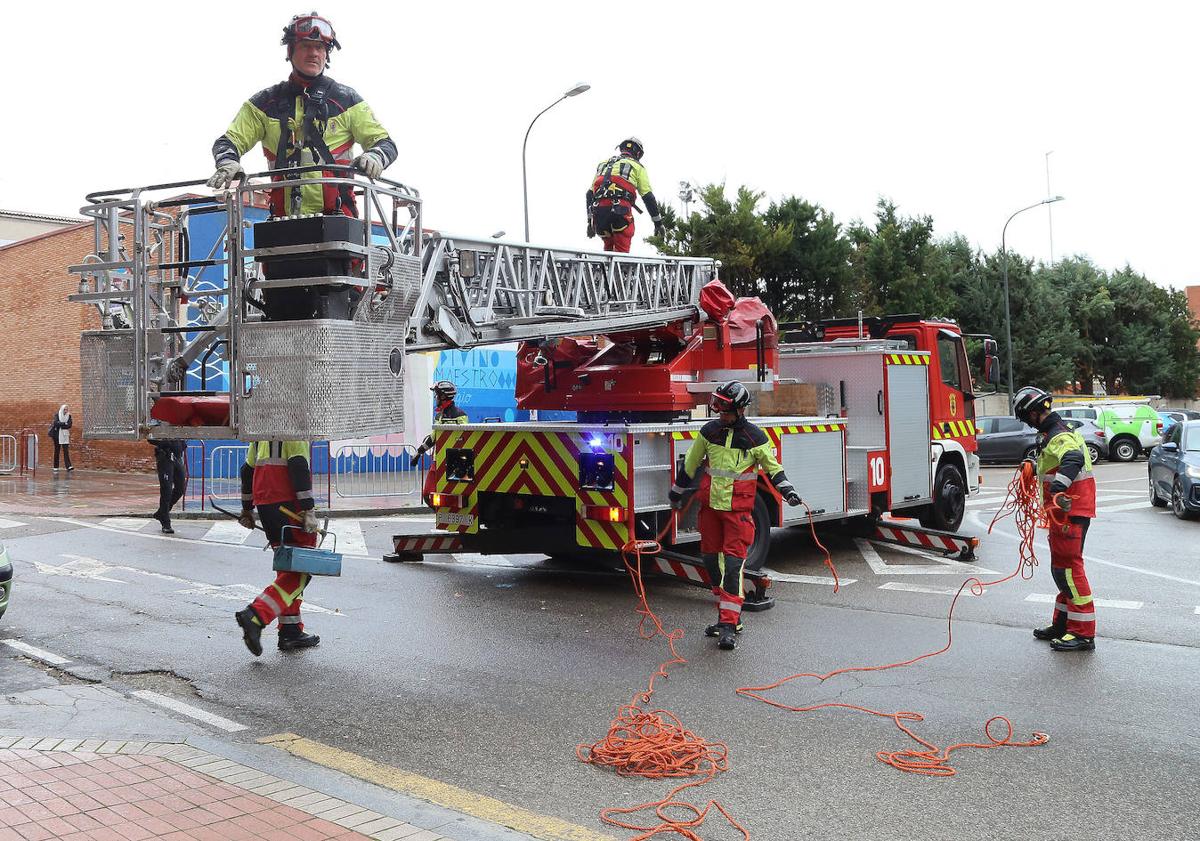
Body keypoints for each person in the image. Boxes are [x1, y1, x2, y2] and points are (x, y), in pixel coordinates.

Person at [207, 12, 398, 218]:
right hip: (281, 224)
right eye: (306, 46)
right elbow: (228, 141)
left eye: (320, 47)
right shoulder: (265, 104)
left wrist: (374, 156)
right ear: (291, 50)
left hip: (340, 226)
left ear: (327, 54)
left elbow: (385, 143)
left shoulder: (346, 101)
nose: (314, 53)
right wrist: (228, 162)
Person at [667, 381, 802, 651]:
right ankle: (729, 616)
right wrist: (676, 492)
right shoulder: (709, 432)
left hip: (738, 514)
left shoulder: (755, 438)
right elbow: (692, 463)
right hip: (711, 512)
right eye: (718, 407)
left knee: (732, 567)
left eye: (725, 409)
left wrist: (788, 492)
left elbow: (774, 470)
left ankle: (728, 624)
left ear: (740, 410)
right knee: (710, 563)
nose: (720, 414)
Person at [1013, 386, 1097, 652]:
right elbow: (1056, 462)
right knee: (1061, 569)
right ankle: (1062, 624)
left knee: (1069, 570)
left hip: (1070, 512)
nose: (1026, 423)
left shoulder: (1059, 435)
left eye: (1026, 417)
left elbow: (1072, 457)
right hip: (1063, 513)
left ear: (1034, 413)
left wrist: (1059, 488)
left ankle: (1083, 633)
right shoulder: (1054, 433)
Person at [235, 441, 323, 656]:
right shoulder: (294, 429)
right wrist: (308, 509)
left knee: (287, 567)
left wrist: (247, 509)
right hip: (289, 504)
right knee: (301, 570)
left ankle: (290, 631)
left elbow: (247, 470)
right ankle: (257, 614)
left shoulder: (259, 434)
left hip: (266, 504)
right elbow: (299, 466)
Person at [585, 137, 665, 253]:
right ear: (638, 153)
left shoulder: (604, 164)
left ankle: (606, 269)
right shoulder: (637, 167)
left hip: (599, 213)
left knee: (608, 247)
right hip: (620, 211)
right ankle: (621, 269)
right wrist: (658, 224)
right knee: (622, 248)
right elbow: (648, 197)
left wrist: (589, 221)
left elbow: (589, 194)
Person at [410, 381, 470, 469]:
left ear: (443, 397)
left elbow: (433, 439)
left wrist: (419, 452)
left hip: (445, 461)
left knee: (430, 483)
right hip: (449, 460)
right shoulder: (459, 415)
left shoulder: (452, 416)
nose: (435, 398)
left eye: (437, 395)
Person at [150, 439, 187, 534]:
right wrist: (166, 443)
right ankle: (166, 523)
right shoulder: (160, 424)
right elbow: (150, 438)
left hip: (177, 457)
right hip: (165, 457)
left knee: (180, 488)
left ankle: (162, 512)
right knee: (166, 490)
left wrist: (182, 444)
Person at [49, 405, 73, 472]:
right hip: (57, 436)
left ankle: (68, 466)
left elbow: (69, 425)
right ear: (62, 409)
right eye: (65, 409)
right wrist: (65, 423)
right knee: (57, 450)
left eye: (67, 409)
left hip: (65, 435)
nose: (66, 411)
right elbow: (56, 423)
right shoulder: (57, 415)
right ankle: (55, 466)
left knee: (66, 451)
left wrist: (62, 425)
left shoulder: (69, 416)